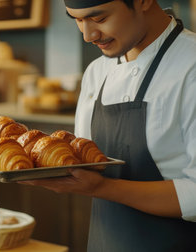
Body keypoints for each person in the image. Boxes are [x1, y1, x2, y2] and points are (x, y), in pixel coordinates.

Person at [21, 0, 196, 251]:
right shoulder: (96, 72)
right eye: (77, 20)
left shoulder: (191, 65)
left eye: (100, 19)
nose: (88, 35)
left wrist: (104, 188)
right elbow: (87, 161)